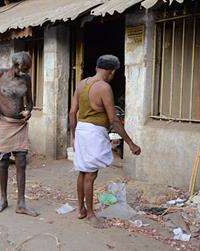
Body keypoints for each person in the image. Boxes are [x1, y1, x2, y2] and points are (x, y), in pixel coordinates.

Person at [69, 54, 141, 227]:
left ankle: (81, 210)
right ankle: (91, 214)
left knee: (82, 171)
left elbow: (72, 113)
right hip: (93, 133)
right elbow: (114, 120)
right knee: (91, 175)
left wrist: (73, 136)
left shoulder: (82, 84)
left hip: (81, 131)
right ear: (111, 72)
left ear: (96, 68)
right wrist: (130, 143)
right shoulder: (104, 88)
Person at [0, 51, 38, 217]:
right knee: (3, 162)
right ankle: (3, 199)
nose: (25, 72)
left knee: (21, 162)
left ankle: (21, 204)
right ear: (15, 65)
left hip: (19, 125)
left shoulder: (26, 79)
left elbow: (30, 102)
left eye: (27, 69)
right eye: (23, 69)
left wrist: (29, 110)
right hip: (3, 123)